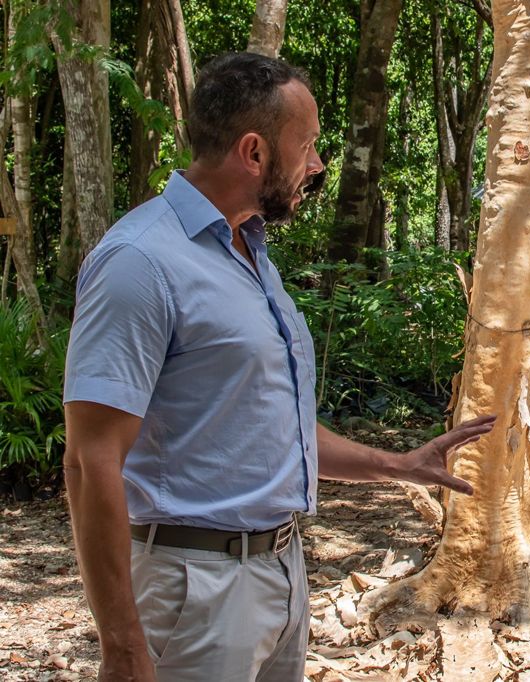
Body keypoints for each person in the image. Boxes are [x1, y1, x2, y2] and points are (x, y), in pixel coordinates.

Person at [62, 52, 495, 682]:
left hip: (282, 572)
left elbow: (268, 427)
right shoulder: (139, 261)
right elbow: (89, 459)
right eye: (309, 145)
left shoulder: (250, 250)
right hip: (194, 589)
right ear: (254, 152)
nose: (316, 165)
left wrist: (395, 466)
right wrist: (123, 648)